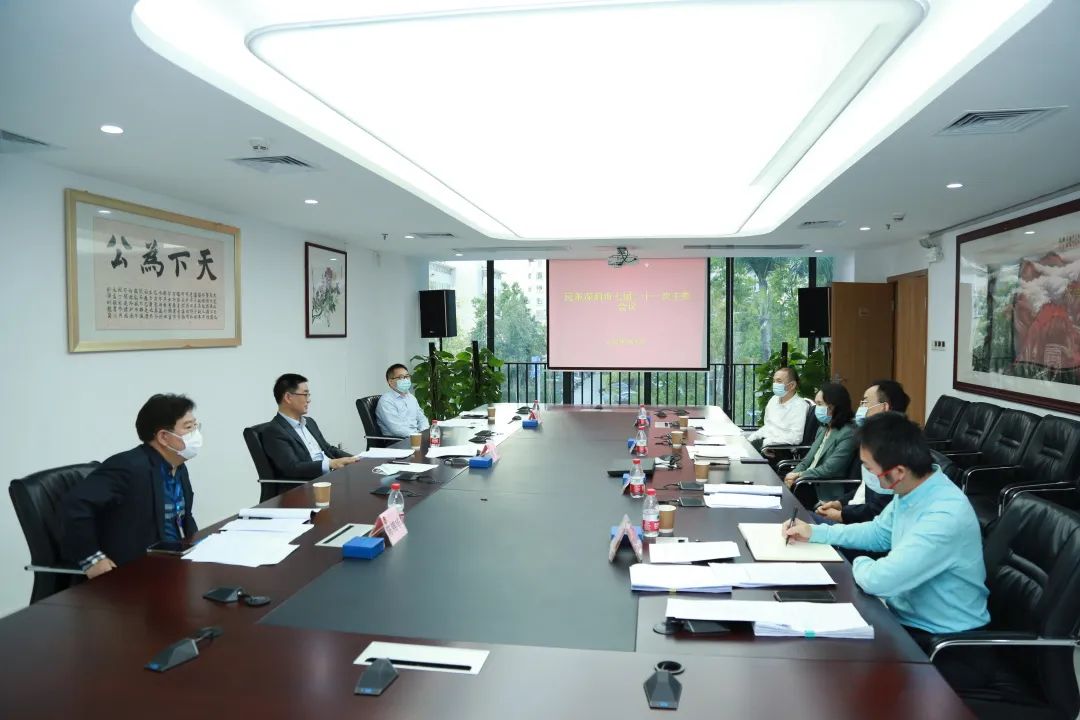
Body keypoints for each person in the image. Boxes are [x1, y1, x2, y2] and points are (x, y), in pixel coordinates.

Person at [783, 412, 989, 639]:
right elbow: (878, 533)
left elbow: (877, 581)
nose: (868, 475)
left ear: (898, 472)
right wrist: (816, 532)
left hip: (938, 637)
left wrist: (858, 562)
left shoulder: (944, 516)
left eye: (870, 469)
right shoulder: (913, 489)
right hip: (901, 614)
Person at [61, 394, 202, 578]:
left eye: (196, 425)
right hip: (135, 572)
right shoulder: (127, 467)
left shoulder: (178, 466)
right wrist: (92, 559)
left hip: (173, 564)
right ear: (163, 437)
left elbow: (184, 518)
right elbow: (74, 504)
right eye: (189, 427)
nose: (196, 433)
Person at [816, 379, 910, 524]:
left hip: (864, 526)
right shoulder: (874, 440)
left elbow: (878, 509)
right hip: (854, 514)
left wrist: (841, 515)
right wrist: (840, 503)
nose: (860, 408)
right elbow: (866, 489)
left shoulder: (892, 449)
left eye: (865, 403)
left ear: (884, 407)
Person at [263, 373, 356, 478]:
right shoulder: (274, 431)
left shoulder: (309, 422)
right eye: (305, 394)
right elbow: (293, 468)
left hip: (332, 476)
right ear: (288, 397)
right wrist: (330, 464)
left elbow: (328, 449)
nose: (308, 400)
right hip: (310, 483)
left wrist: (356, 459)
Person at [782, 382, 857, 503]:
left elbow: (829, 469)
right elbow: (807, 460)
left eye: (819, 404)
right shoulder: (823, 428)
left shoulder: (848, 433)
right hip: (806, 482)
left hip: (824, 489)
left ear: (832, 407)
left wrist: (799, 475)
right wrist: (792, 474)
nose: (816, 408)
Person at [746, 366, 810, 451]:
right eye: (774, 381)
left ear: (792, 385)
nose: (775, 384)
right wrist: (750, 439)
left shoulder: (800, 406)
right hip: (766, 444)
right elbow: (767, 427)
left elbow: (795, 438)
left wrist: (766, 443)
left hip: (781, 448)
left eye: (779, 381)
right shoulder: (773, 400)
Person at [376, 363, 430, 438]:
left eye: (407, 376)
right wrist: (419, 436)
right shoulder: (386, 401)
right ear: (390, 381)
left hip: (416, 437)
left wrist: (424, 432)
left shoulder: (411, 398)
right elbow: (397, 429)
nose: (405, 380)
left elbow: (422, 418)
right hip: (398, 441)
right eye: (401, 377)